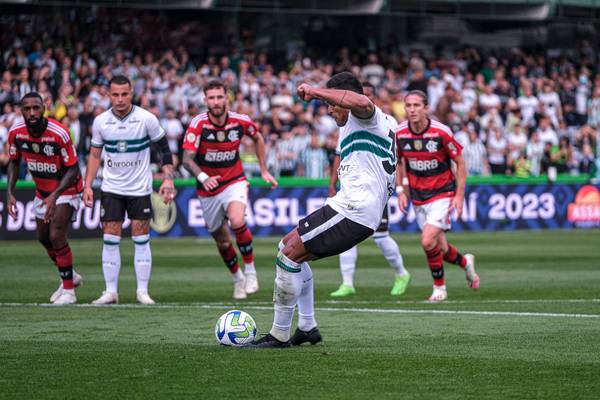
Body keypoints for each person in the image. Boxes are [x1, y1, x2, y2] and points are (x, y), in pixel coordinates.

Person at [249, 72, 397, 348]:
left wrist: (316, 91)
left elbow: (361, 102)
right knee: (290, 250)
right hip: (353, 206)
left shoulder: (367, 115)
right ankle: (307, 327)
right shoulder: (372, 124)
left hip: (355, 208)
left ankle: (279, 334)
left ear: (346, 99)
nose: (329, 110)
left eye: (332, 102)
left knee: (288, 254)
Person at [181, 79, 277, 300]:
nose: (216, 102)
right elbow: (187, 159)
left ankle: (251, 272)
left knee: (237, 221)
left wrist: (263, 169)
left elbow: (258, 137)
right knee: (223, 241)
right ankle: (238, 279)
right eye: (211, 98)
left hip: (234, 181)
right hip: (208, 189)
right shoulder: (198, 124)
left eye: (219, 97)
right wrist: (204, 177)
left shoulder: (240, 121)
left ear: (227, 98)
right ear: (205, 100)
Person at [84, 75, 175, 305]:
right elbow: (95, 155)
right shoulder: (101, 122)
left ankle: (142, 291)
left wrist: (168, 179)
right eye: (115, 94)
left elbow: (164, 149)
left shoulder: (146, 119)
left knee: (141, 238)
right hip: (111, 188)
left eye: (125, 94)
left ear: (132, 93)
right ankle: (110, 292)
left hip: (139, 188)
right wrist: (87, 185)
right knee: (110, 238)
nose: (120, 99)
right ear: (109, 95)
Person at [328, 81, 410, 298]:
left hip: (376, 186)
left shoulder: (386, 120)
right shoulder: (348, 122)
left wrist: (401, 188)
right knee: (344, 235)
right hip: (353, 185)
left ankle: (401, 273)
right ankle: (347, 283)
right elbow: (340, 154)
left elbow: (397, 159)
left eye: (369, 95)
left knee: (381, 237)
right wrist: (332, 184)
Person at [396, 90, 480, 302]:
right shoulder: (399, 133)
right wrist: (400, 190)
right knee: (439, 247)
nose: (412, 110)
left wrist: (459, 196)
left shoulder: (441, 132)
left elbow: (460, 162)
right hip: (418, 196)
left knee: (426, 241)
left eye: (416, 105)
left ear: (426, 108)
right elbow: (398, 162)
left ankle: (439, 288)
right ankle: (465, 263)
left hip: (443, 193)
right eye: (408, 105)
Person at [6, 92, 83, 304]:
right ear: (21, 111)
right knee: (44, 238)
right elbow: (13, 161)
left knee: (57, 235)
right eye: (27, 109)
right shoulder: (16, 133)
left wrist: (55, 196)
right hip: (42, 191)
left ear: (44, 108)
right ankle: (70, 276)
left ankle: (69, 292)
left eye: (36, 108)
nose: (32, 113)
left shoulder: (60, 133)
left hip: (67, 188)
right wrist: (10, 192)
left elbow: (73, 169)